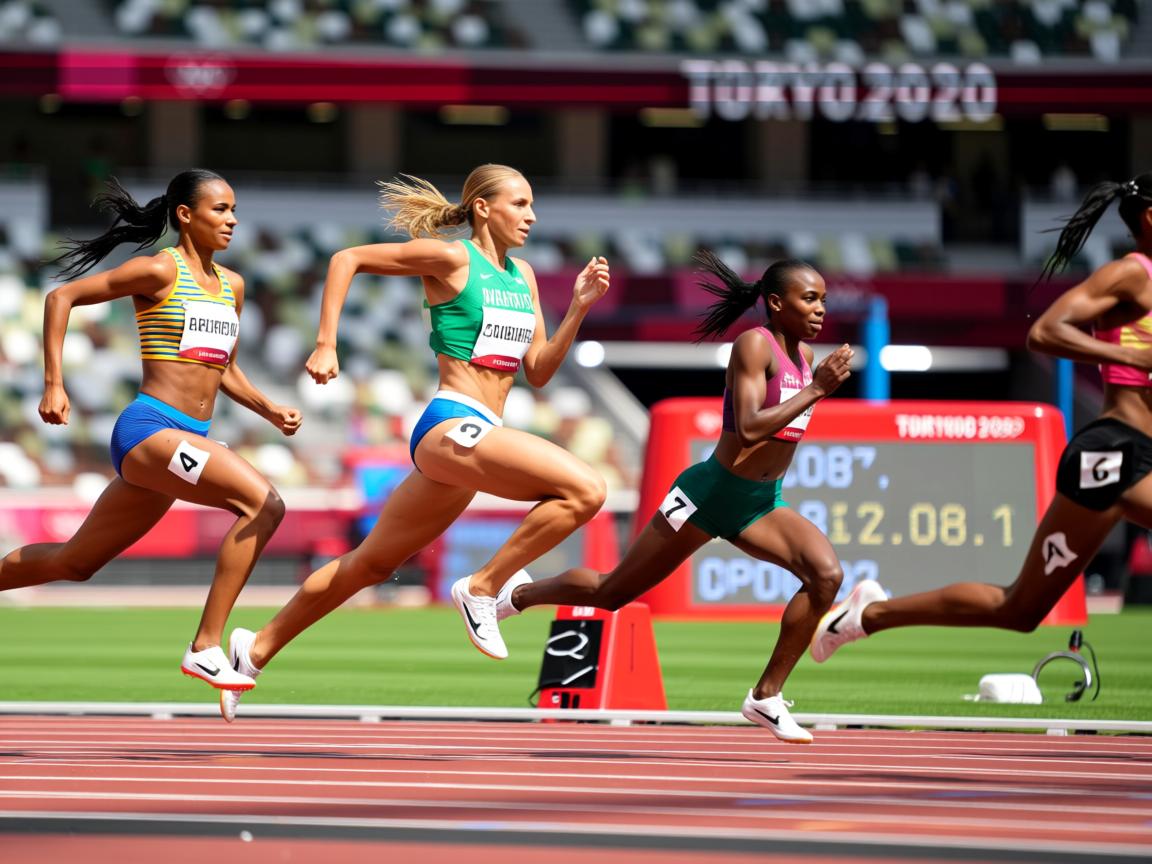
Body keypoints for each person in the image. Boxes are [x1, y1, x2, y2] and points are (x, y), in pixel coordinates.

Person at [220, 164, 610, 721]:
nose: (531, 215)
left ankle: (253, 650)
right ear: (482, 208)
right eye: (520, 204)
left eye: (531, 205)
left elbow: (540, 370)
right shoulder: (452, 259)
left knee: (370, 565)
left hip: (479, 436)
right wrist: (327, 344)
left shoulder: (522, 276)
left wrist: (579, 307)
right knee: (586, 489)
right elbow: (345, 259)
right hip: (452, 422)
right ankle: (483, 588)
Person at [501, 250, 854, 744]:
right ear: (776, 303)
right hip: (707, 494)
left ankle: (766, 697)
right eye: (809, 298)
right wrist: (816, 391)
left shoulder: (806, 358)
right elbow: (749, 428)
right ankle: (516, 595)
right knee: (613, 592)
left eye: (823, 299)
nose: (820, 309)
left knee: (826, 576)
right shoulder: (755, 346)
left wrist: (813, 383)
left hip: (760, 501)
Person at [810, 172, 1152, 663]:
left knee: (1019, 609)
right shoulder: (1132, 274)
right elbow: (1046, 332)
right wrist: (1135, 359)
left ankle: (870, 614)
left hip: (1137, 455)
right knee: (1019, 605)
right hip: (1114, 450)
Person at [0, 169, 302, 692]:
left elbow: (223, 368)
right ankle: (206, 646)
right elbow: (60, 299)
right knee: (264, 505)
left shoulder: (233, 286)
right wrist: (54, 384)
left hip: (189, 436)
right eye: (220, 210)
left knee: (75, 562)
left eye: (234, 210)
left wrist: (268, 409)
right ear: (185, 216)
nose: (231, 220)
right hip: (149, 429)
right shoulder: (160, 271)